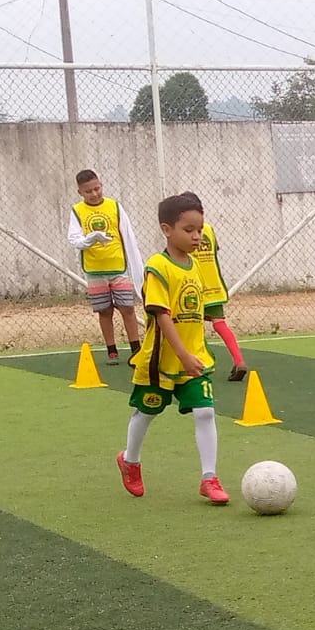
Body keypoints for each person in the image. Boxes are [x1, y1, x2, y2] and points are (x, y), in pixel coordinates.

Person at [116, 192, 228, 505]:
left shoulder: (195, 266)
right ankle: (130, 460)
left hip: (195, 357)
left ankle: (209, 478)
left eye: (200, 229)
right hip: (160, 361)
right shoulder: (157, 267)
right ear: (167, 229)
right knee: (147, 411)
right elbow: (162, 315)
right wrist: (182, 354)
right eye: (188, 230)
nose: (196, 236)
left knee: (205, 411)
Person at [67, 169, 143, 363]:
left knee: (127, 308)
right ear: (80, 192)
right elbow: (74, 239)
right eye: (88, 191)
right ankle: (112, 350)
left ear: (101, 185)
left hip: (118, 267)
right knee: (104, 310)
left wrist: (134, 264)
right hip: (95, 270)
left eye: (97, 188)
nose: (94, 194)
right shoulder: (77, 211)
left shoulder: (115, 206)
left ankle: (136, 349)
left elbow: (127, 235)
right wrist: (90, 239)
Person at [186, 194, 249, 381]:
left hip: (194, 286)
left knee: (193, 324)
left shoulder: (186, 233)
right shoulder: (209, 230)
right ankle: (239, 360)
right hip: (214, 287)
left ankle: (201, 363)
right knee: (220, 324)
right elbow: (215, 250)